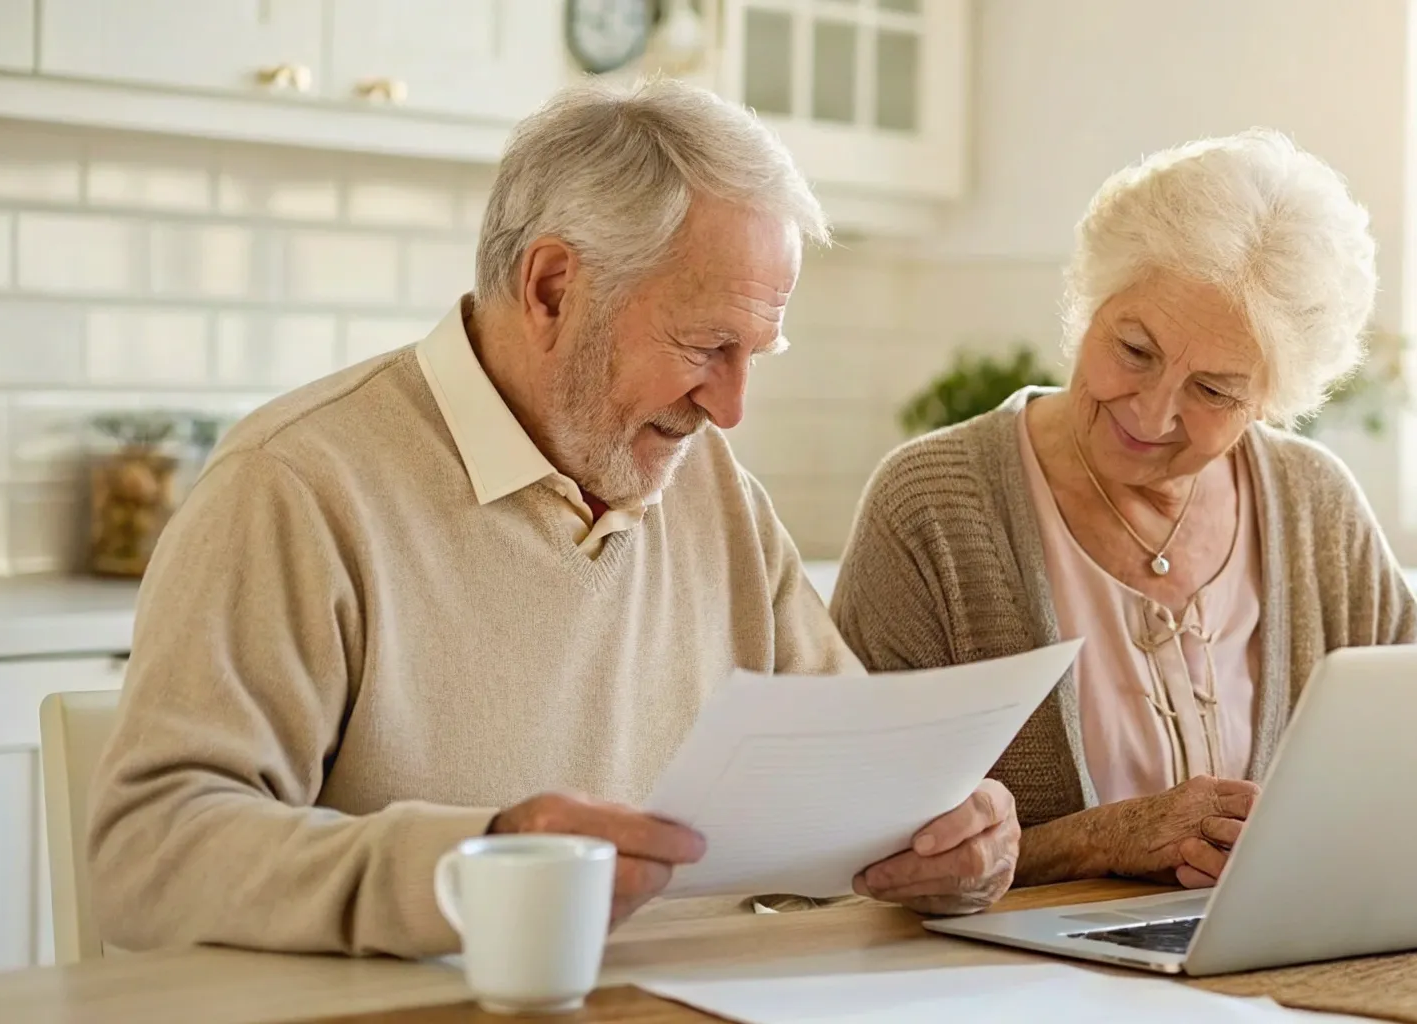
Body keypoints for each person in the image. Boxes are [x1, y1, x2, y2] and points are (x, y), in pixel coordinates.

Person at [86, 76, 1017, 959]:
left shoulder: (715, 491)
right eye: (706, 345)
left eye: (756, 353)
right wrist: (483, 863)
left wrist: (946, 844)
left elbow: (858, 796)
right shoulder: (295, 486)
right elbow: (147, 857)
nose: (731, 408)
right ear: (552, 289)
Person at [829, 129, 1417, 892]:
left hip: (1264, 967)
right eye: (1134, 351)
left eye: (1215, 391)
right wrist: (1102, 840)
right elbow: (850, 846)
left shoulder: (1315, 502)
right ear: (1091, 306)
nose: (1152, 415)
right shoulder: (933, 506)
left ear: (1272, 404)